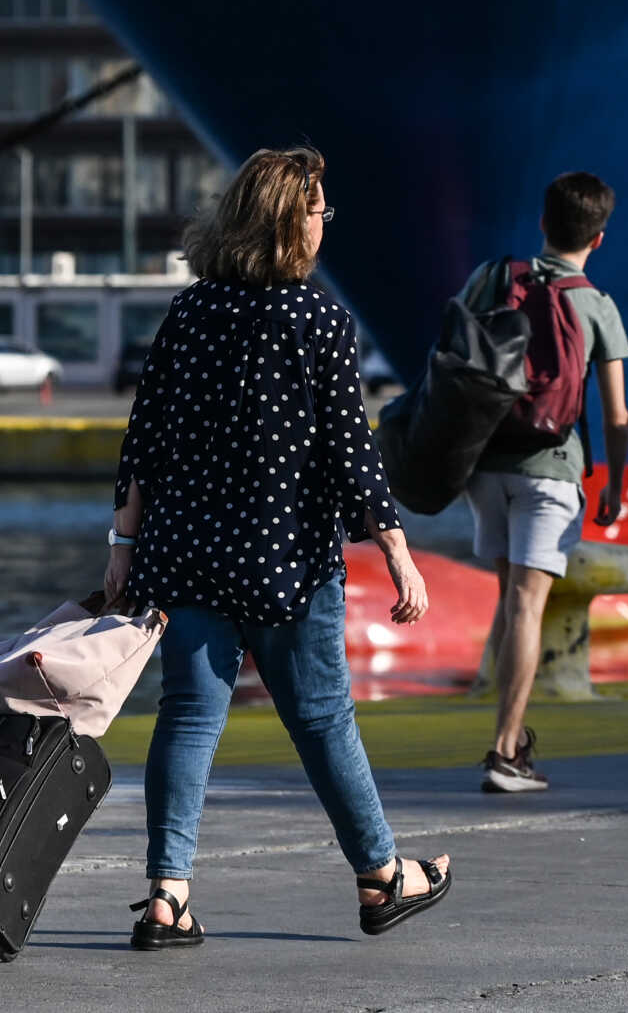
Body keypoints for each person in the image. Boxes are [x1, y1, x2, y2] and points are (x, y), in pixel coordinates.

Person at [106, 146, 452, 948]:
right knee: (324, 718)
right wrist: (397, 548)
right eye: (319, 210)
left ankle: (167, 894)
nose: (326, 222)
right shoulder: (318, 318)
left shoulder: (190, 313)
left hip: (188, 554)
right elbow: (348, 449)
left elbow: (143, 439)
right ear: (290, 223)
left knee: (188, 718)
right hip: (286, 559)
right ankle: (380, 876)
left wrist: (123, 544)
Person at [458, 171, 628, 796]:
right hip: (551, 469)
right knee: (528, 605)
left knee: (512, 602)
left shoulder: (495, 279)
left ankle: (514, 735)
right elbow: (616, 413)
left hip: (488, 466)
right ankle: (505, 751)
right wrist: (614, 481)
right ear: (600, 238)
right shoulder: (596, 305)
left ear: (543, 224)